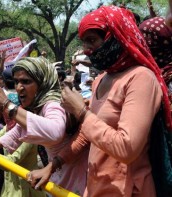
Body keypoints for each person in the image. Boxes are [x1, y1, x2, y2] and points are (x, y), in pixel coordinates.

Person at [30, 5, 171, 197]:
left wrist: (81, 112)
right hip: (97, 188)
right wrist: (53, 166)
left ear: (116, 36)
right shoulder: (101, 79)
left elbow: (126, 148)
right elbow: (87, 136)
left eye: (92, 41)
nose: (86, 50)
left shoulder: (141, 78)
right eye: (84, 42)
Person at [0, 57, 88, 195]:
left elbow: (55, 132)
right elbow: (19, 130)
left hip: (75, 181)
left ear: (42, 82)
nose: (19, 87)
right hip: (59, 179)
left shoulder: (53, 104)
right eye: (16, 82)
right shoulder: (37, 106)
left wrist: (7, 105)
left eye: (26, 81)